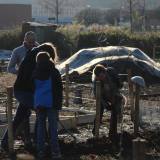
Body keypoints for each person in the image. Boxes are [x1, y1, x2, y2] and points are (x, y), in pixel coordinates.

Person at [1, 42, 56, 152]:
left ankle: (5, 141)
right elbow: (33, 80)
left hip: (21, 90)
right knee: (41, 111)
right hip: (26, 92)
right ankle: (38, 141)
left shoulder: (31, 55)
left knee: (19, 117)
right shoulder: (36, 61)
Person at [33, 51, 62, 160]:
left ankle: (41, 152)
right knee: (53, 128)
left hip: (39, 103)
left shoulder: (35, 72)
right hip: (52, 103)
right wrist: (58, 106)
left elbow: (32, 88)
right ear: (49, 59)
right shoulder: (54, 71)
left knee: (41, 127)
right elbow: (59, 89)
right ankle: (55, 152)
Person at [92, 64, 123, 143]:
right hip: (102, 96)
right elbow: (98, 96)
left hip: (113, 94)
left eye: (102, 76)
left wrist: (113, 99)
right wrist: (106, 105)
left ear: (104, 72)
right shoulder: (96, 82)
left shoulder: (111, 73)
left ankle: (112, 133)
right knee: (99, 110)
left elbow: (117, 87)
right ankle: (95, 131)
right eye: (99, 77)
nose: (101, 78)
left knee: (115, 110)